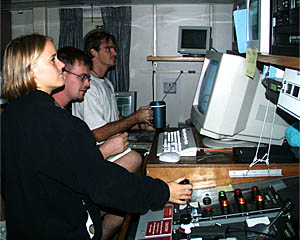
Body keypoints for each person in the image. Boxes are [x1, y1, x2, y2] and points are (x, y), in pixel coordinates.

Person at [1, 33, 193, 239]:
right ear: (32, 70)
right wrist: (163, 192)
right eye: (52, 60)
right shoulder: (52, 122)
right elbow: (101, 181)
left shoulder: (12, 115)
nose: (61, 66)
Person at [52, 46, 141, 239]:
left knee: (123, 208)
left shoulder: (67, 118)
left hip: (80, 185)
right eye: (82, 77)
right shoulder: (51, 120)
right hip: (64, 203)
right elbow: (66, 176)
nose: (87, 84)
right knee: (133, 164)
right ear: (62, 74)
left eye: (88, 78)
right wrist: (106, 151)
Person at [72, 30, 154, 144]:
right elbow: (98, 134)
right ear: (93, 52)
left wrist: (141, 125)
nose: (114, 53)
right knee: (135, 159)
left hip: (113, 147)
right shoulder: (88, 87)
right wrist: (135, 117)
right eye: (108, 49)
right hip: (96, 153)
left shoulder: (106, 82)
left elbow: (115, 120)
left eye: (114, 49)